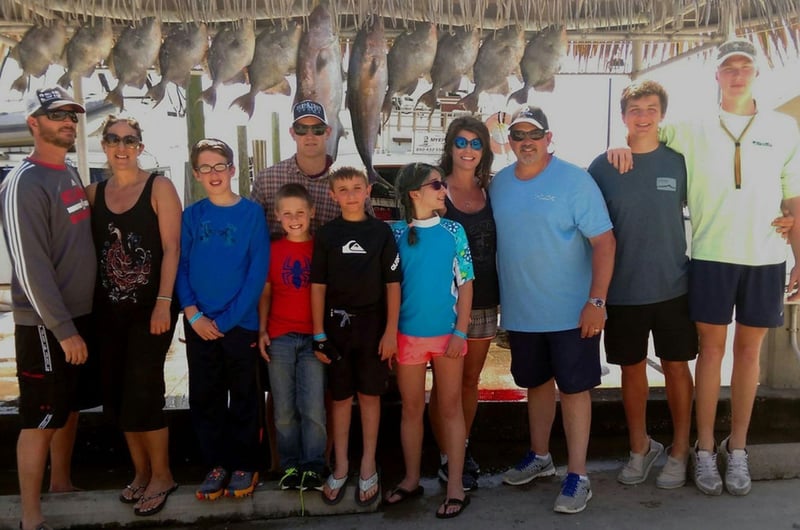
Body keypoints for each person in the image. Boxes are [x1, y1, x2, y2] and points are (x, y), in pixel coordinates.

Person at [609, 38, 800, 496]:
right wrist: (619, 143)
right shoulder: (691, 127)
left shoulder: (784, 127)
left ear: (757, 74)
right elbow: (645, 133)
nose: (737, 74)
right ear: (716, 75)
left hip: (766, 256)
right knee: (711, 353)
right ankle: (704, 450)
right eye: (728, 67)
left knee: (748, 355)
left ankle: (738, 451)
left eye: (745, 67)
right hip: (711, 255)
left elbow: (792, 196)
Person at [491, 106, 616, 514]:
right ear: (509, 141)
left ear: (549, 138)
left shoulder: (575, 180)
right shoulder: (499, 184)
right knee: (536, 385)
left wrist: (596, 301)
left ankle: (578, 475)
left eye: (534, 134)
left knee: (575, 390)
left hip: (572, 312)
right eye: (517, 135)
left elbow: (604, 242)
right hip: (523, 313)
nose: (525, 141)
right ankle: (540, 456)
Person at [587, 81, 697, 489]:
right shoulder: (603, 166)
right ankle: (640, 447)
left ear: (661, 115)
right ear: (624, 116)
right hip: (623, 291)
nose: (644, 116)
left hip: (674, 287)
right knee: (630, 371)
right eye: (636, 109)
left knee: (676, 368)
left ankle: (681, 450)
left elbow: (717, 200)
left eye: (651, 108)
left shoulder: (680, 162)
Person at [0, 87, 96, 530]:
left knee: (69, 406)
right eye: (55, 115)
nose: (67, 122)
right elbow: (29, 265)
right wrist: (62, 329)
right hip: (44, 324)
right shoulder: (23, 182)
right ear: (34, 123)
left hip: (77, 318)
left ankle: (61, 482)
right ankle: (31, 517)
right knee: (40, 416)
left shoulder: (69, 172)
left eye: (71, 115)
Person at [86, 115, 182, 515]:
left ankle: (163, 474)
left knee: (144, 390)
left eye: (129, 140)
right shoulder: (93, 193)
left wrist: (163, 301)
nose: (121, 146)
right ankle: (140, 472)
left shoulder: (159, 187)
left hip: (151, 309)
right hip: (107, 312)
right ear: (104, 146)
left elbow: (172, 248)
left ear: (140, 146)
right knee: (117, 394)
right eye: (113, 139)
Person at [175, 138, 270, 501]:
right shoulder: (192, 215)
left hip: (239, 323)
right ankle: (215, 464)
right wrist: (193, 313)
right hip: (199, 322)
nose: (213, 174)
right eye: (205, 168)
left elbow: (257, 272)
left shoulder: (251, 214)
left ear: (232, 170)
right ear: (197, 174)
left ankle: (245, 463)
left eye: (220, 166)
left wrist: (229, 320)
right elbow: (181, 267)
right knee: (206, 396)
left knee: (245, 395)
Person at [385, 163, 474, 519]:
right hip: (406, 338)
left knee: (450, 408)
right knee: (410, 409)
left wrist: (461, 331)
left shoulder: (455, 230)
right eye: (436, 184)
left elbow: (466, 284)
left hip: (448, 337)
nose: (443, 189)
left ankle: (455, 485)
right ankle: (411, 479)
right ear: (413, 193)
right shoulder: (393, 233)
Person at [310, 166, 400, 507]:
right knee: (341, 397)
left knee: (371, 396)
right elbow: (317, 286)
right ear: (333, 195)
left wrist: (390, 331)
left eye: (356, 187)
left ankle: (367, 464)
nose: (350, 194)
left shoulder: (381, 233)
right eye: (343, 189)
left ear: (367, 191)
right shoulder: (327, 234)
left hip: (373, 326)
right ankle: (342, 463)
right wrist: (319, 333)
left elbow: (393, 285)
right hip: (336, 327)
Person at [430, 116, 498, 492]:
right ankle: (445, 455)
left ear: (484, 150)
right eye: (461, 142)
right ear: (450, 146)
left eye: (476, 143)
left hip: (486, 301)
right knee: (444, 388)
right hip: (445, 306)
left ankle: (461, 448)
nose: (468, 150)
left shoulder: (493, 190)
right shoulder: (435, 189)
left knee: (470, 381)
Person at [257, 183, 327, 491]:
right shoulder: (272, 250)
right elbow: (267, 292)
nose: (294, 219)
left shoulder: (321, 249)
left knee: (313, 407)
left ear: (312, 212)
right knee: (283, 409)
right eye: (287, 214)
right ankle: (289, 466)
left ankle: (313, 465)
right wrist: (262, 330)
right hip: (280, 336)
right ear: (277, 216)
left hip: (314, 337)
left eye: (300, 212)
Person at [251, 99, 373, 240]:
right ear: (292, 133)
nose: (309, 136)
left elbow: (369, 228)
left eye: (317, 129)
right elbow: (250, 229)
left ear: (327, 132)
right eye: (301, 129)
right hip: (282, 260)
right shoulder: (266, 180)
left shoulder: (350, 181)